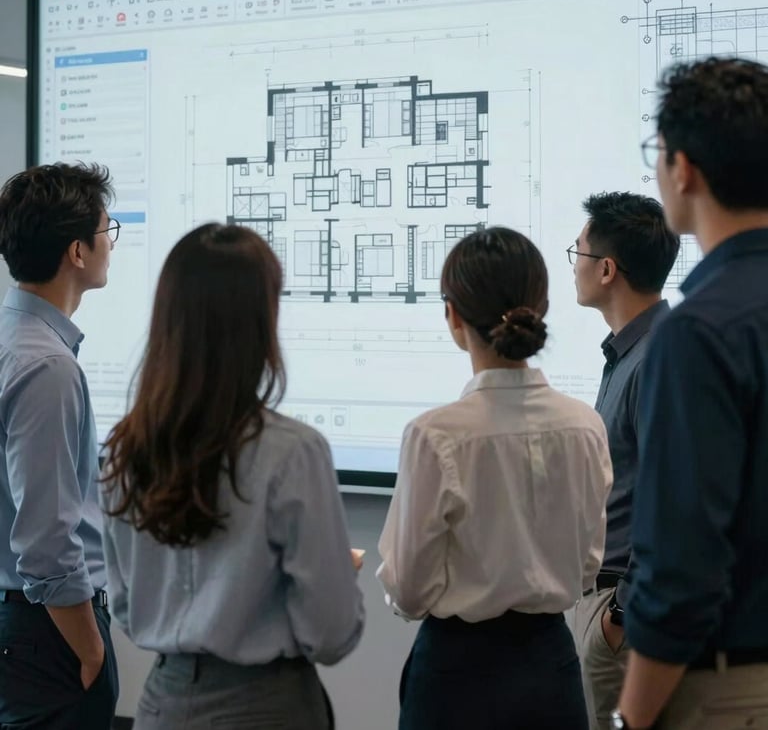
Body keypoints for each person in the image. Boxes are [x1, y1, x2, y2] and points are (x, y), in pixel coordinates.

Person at [101, 222, 364, 730]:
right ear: (260, 325)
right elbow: (331, 634)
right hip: (267, 707)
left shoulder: (125, 450)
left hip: (162, 704)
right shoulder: (293, 453)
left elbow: (128, 609)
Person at [378, 226, 613, 730]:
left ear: (453, 315)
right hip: (551, 669)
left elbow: (409, 589)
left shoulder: (435, 435)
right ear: (541, 308)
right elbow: (588, 566)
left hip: (455, 676)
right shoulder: (584, 425)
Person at [613, 57, 768, 729]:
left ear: (683, 169)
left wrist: (631, 717)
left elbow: (681, 571)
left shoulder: (697, 331)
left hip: (728, 686)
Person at [0, 162, 120, 729]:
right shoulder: (47, 365)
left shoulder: (11, 341)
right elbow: (46, 537)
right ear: (77, 251)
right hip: (47, 634)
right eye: (106, 230)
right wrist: (91, 649)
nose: (110, 243)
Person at [568, 192, 679, 730]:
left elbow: (676, 498)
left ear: (607, 269)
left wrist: (619, 616)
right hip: (609, 605)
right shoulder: (628, 352)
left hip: (621, 615)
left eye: (578, 252)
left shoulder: (657, 355)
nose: (574, 265)